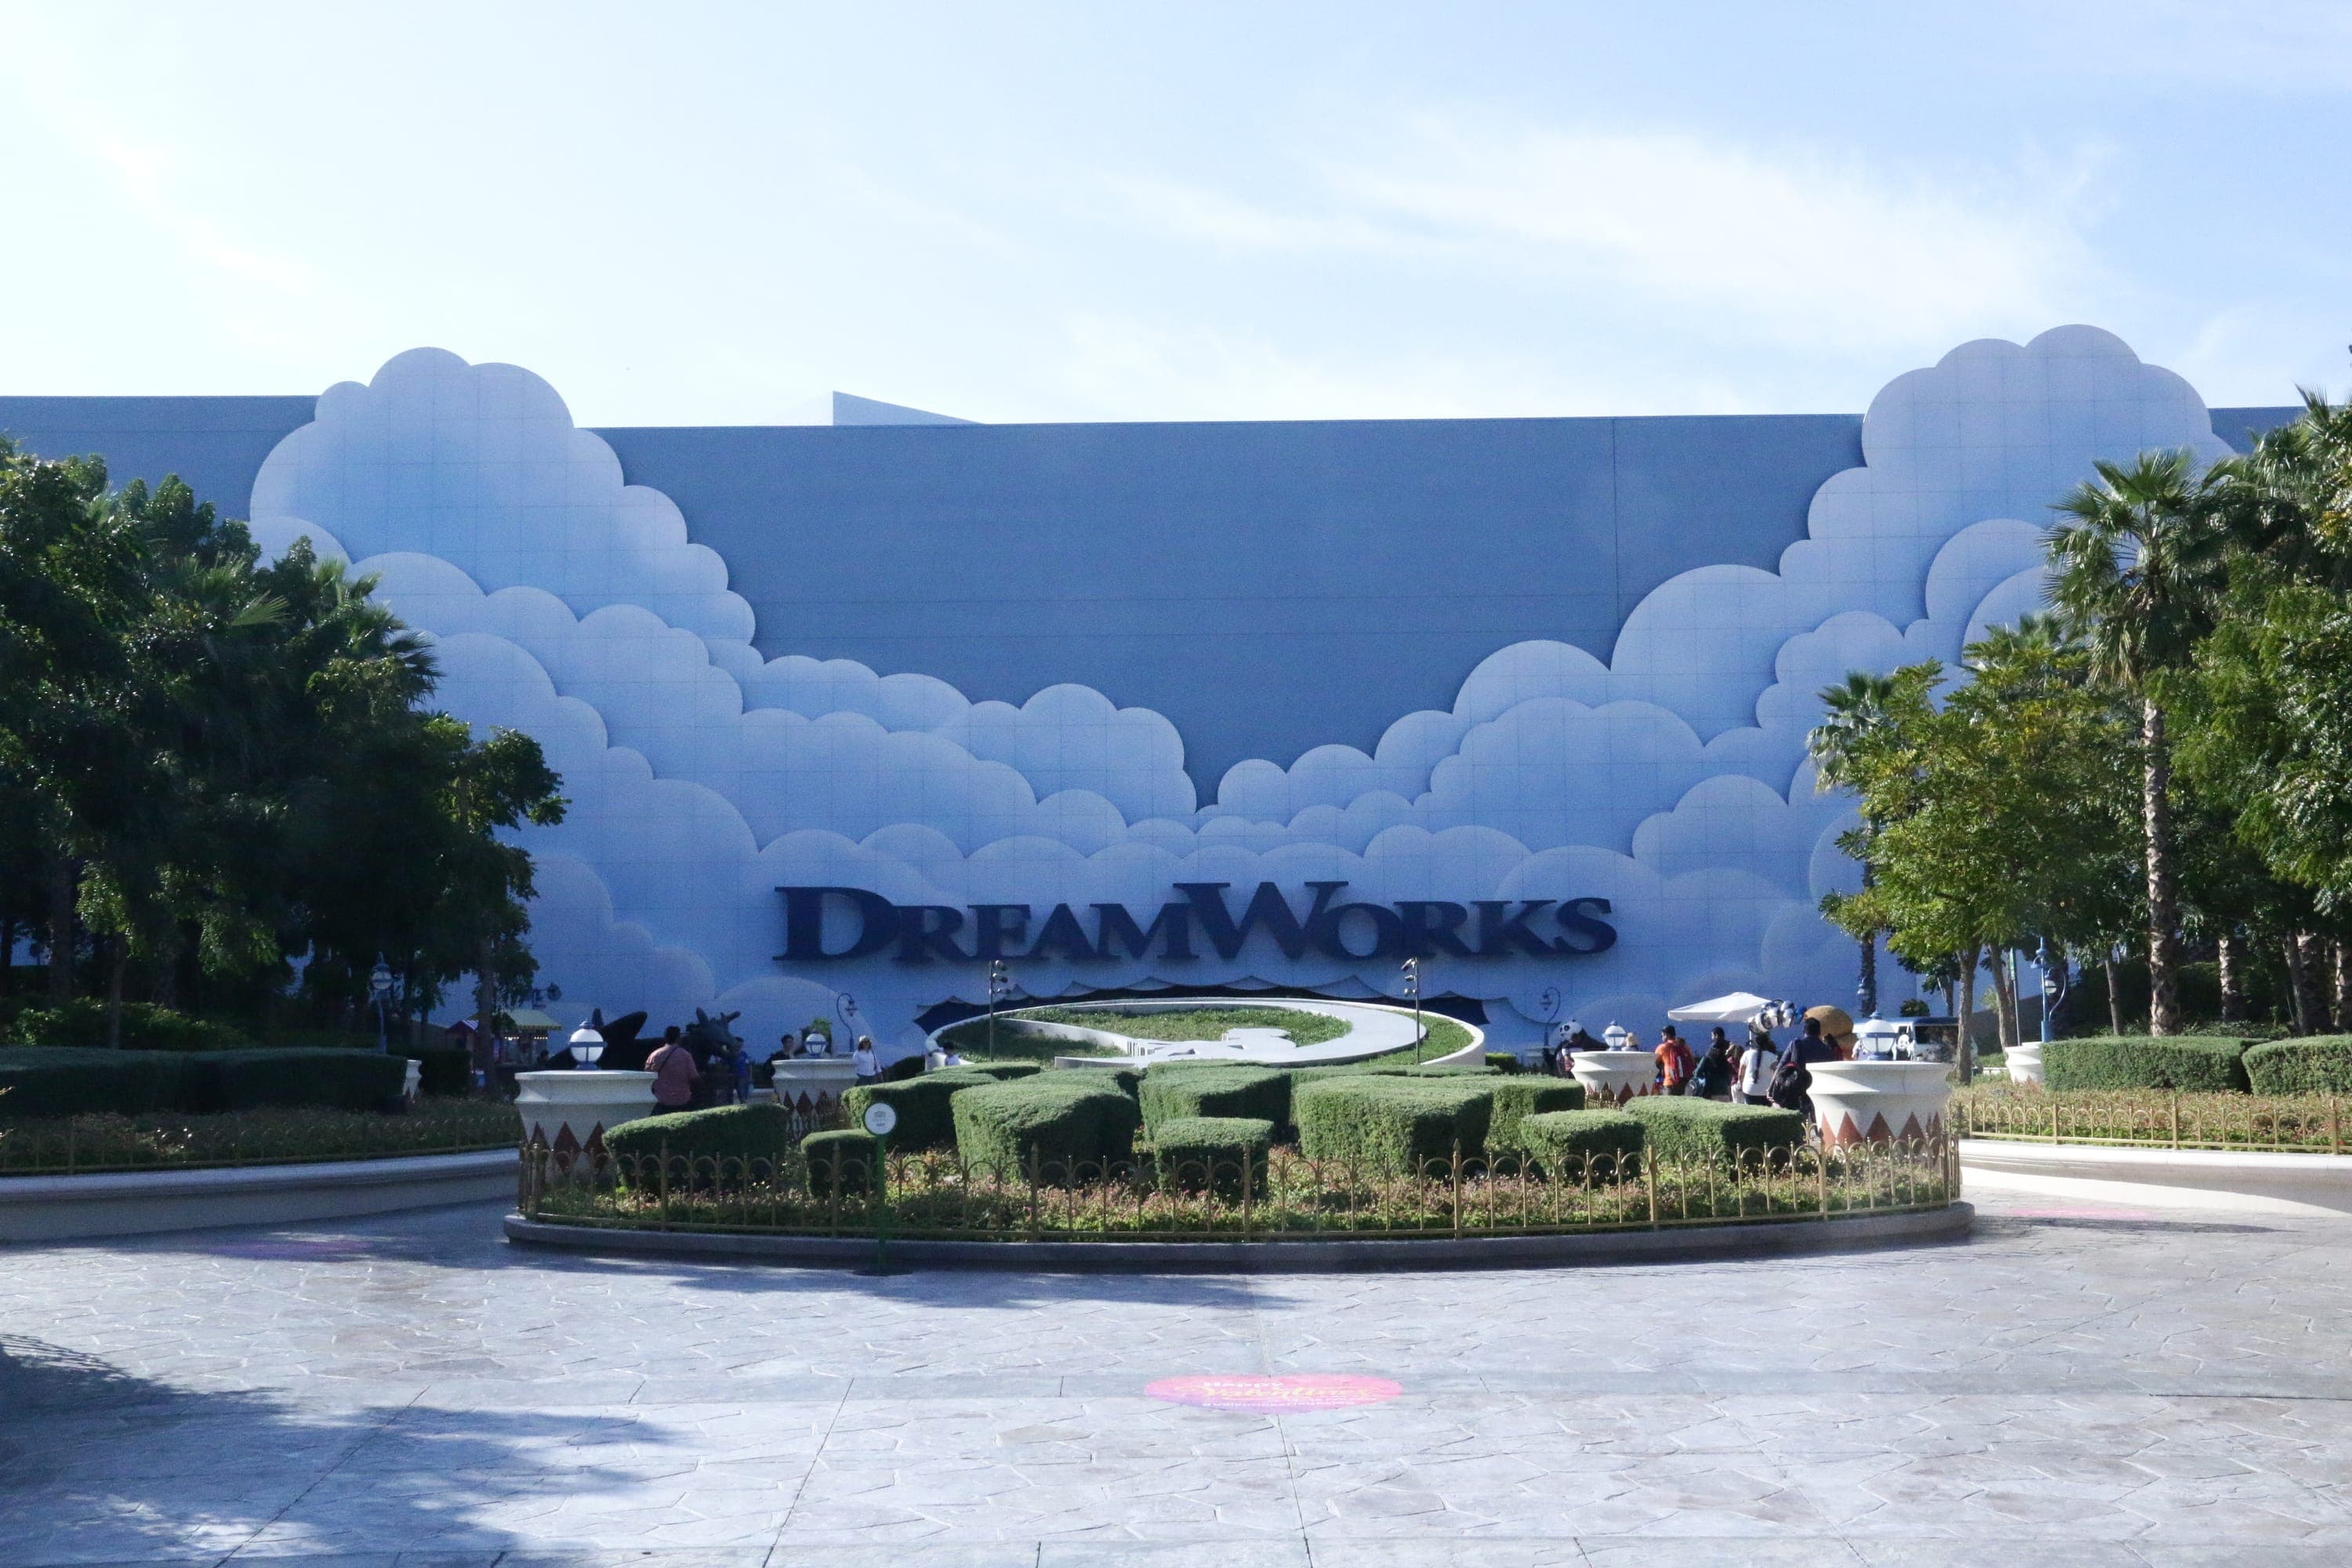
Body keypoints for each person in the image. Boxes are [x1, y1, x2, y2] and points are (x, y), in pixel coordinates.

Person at [645, 1025, 700, 1110]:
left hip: (659, 1100)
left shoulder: (654, 1055)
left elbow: (647, 1077)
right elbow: (694, 1077)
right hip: (682, 1101)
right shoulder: (686, 1056)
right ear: (679, 1038)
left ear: (665, 1038)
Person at [1737, 1027, 1780, 1105]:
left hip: (1749, 1089)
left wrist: (1741, 1085)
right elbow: (1777, 1074)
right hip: (1765, 1090)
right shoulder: (1773, 1057)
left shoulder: (1747, 1054)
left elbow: (1741, 1074)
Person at [1688, 1030, 1733, 1100]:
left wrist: (1705, 1078)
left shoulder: (1708, 1057)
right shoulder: (1726, 1059)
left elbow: (1697, 1072)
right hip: (1724, 1091)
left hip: (1711, 1091)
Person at [1653, 1025, 1693, 1094]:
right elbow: (1692, 1060)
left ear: (1667, 1035)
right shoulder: (1684, 1046)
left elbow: (1653, 1062)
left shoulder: (1662, 1047)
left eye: (1662, 1035)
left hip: (1670, 1082)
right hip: (1685, 1082)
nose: (1662, 1037)